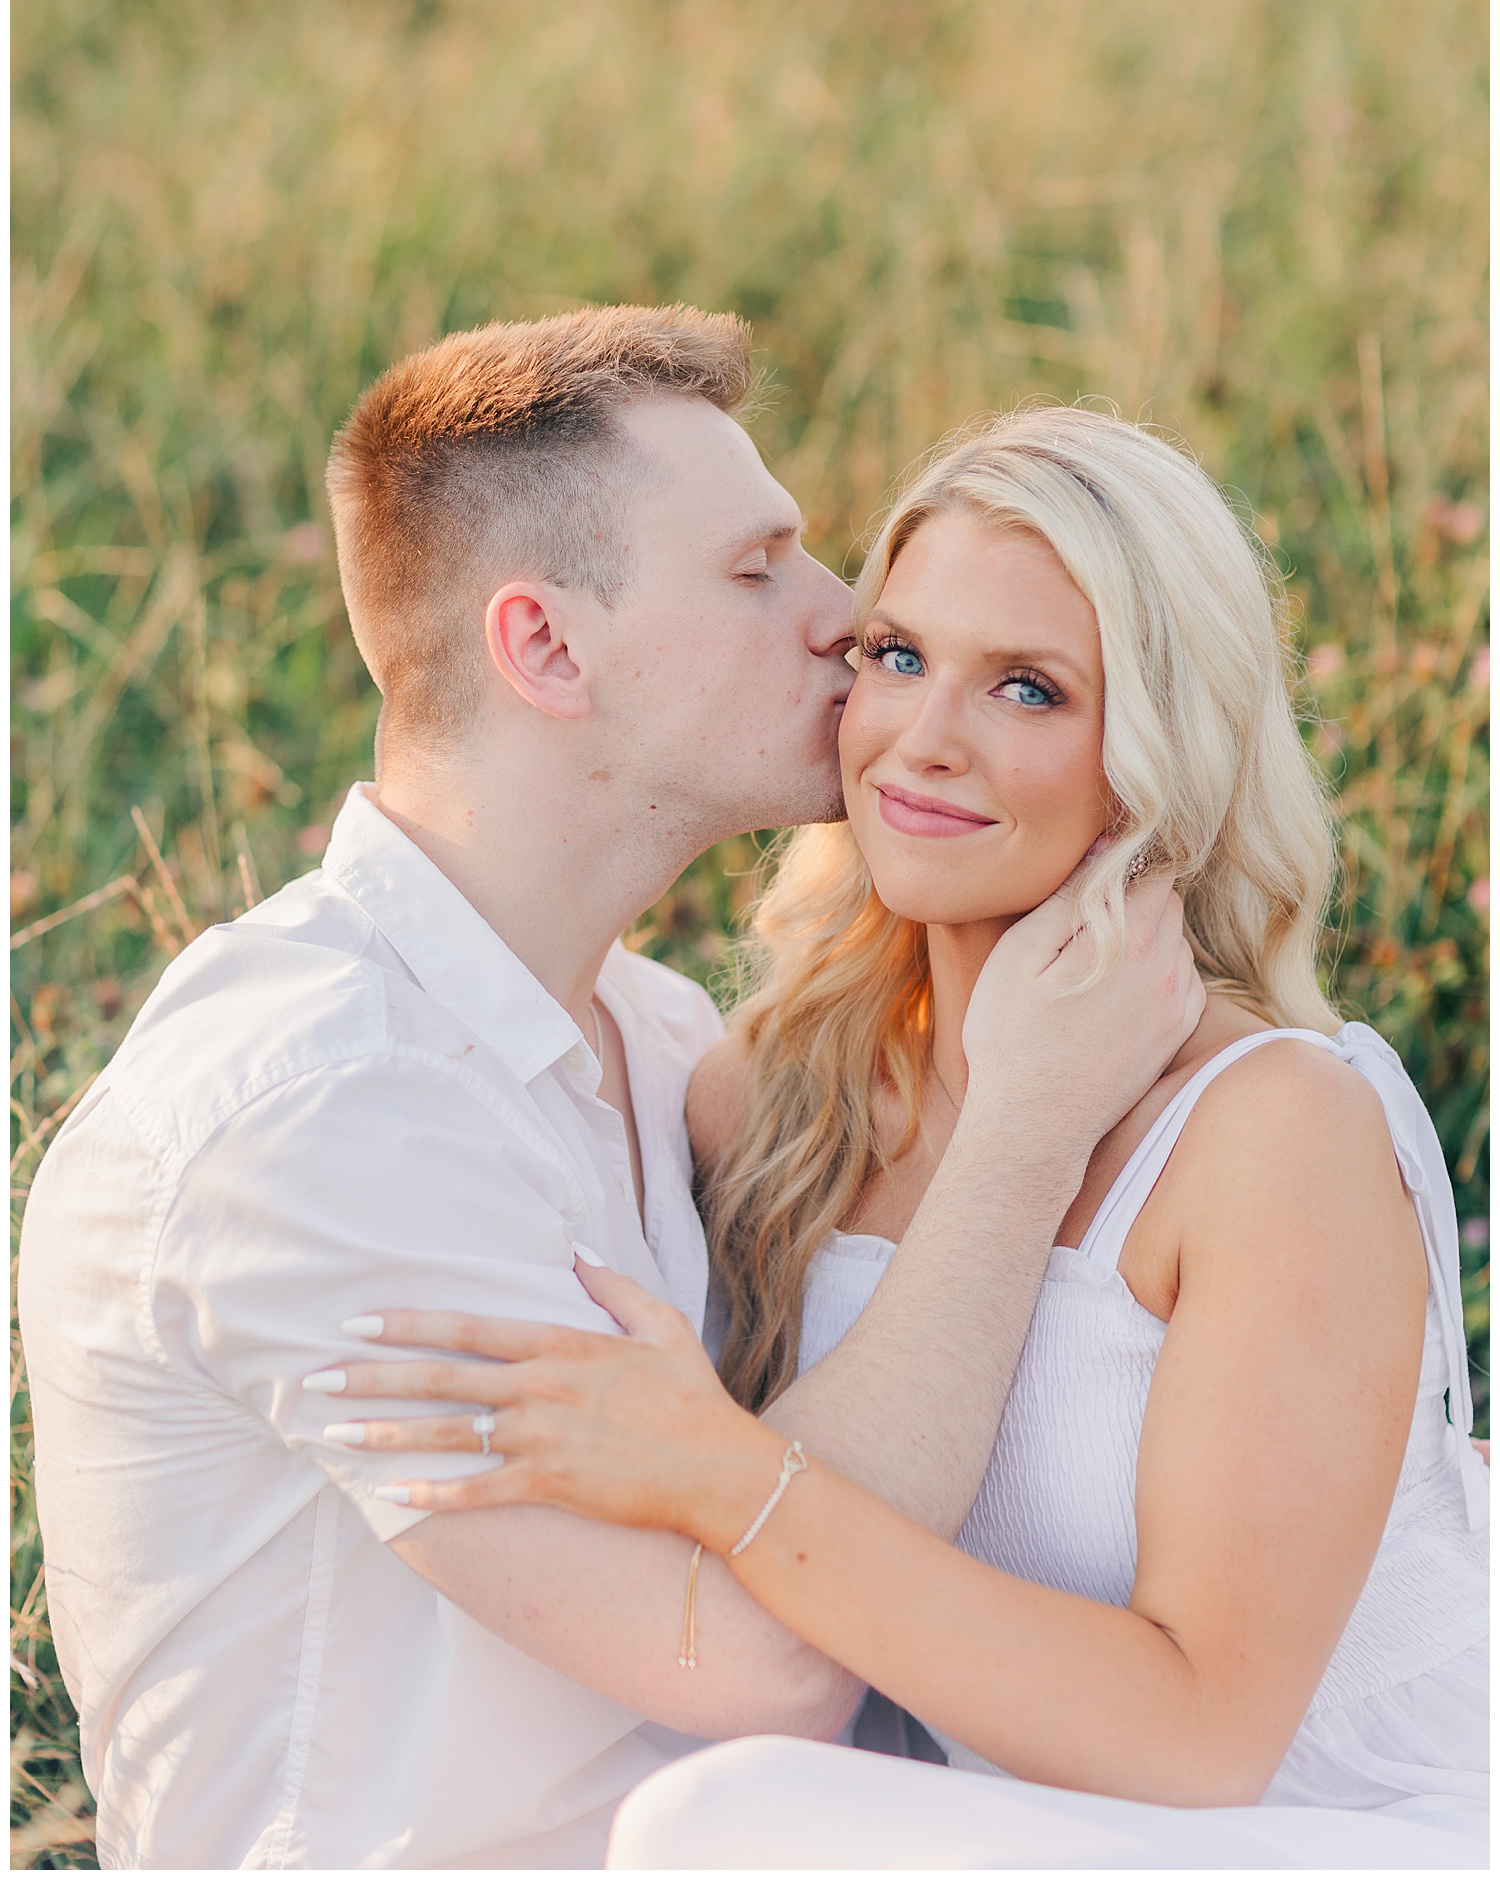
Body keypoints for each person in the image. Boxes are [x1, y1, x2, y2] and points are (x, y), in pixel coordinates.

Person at [17, 314, 1204, 1869]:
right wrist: (1024, 1133)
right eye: (757, 566)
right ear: (546, 647)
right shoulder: (312, 1114)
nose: (843, 619)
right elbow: (774, 1665)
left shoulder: (645, 1042)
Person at [326, 409, 1488, 1868]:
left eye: (1028, 689)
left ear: (1156, 753)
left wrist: (726, 1477)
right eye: (895, 657)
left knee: (717, 1823)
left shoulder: (1270, 1131)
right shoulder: (766, 1098)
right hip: (1017, 1824)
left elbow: (1205, 1744)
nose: (923, 744)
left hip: (1348, 1821)